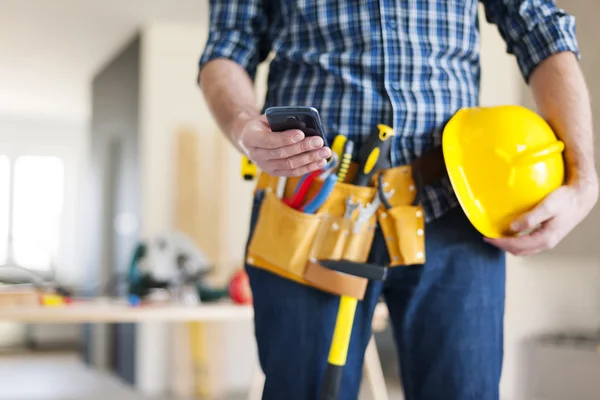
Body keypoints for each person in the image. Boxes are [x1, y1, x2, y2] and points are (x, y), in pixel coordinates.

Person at [198, 1, 598, 399]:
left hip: (454, 207)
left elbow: (540, 28)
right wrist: (243, 126)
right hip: (309, 210)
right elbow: (227, 48)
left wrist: (583, 175)